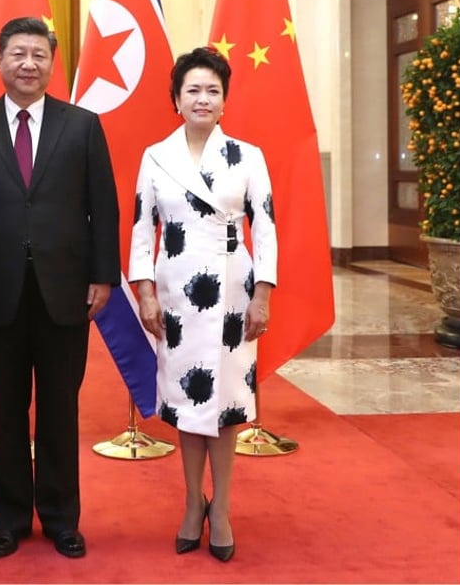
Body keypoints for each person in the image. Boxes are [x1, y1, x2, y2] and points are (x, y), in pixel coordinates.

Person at [0, 17, 120, 560]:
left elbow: (103, 207)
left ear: (52, 62)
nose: (28, 64)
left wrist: (102, 275)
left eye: (38, 55)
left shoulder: (83, 125)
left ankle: (62, 519)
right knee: (6, 410)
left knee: (60, 410)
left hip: (66, 289)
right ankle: (9, 520)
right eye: (17, 54)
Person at [128, 46, 277, 563]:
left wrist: (263, 294)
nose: (202, 98)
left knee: (229, 403)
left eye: (212, 89)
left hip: (235, 291)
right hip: (176, 294)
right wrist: (144, 291)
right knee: (187, 403)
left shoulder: (248, 156)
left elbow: (268, 226)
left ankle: (224, 509)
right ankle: (193, 503)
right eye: (192, 89)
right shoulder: (155, 156)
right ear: (175, 98)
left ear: (224, 99)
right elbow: (142, 229)